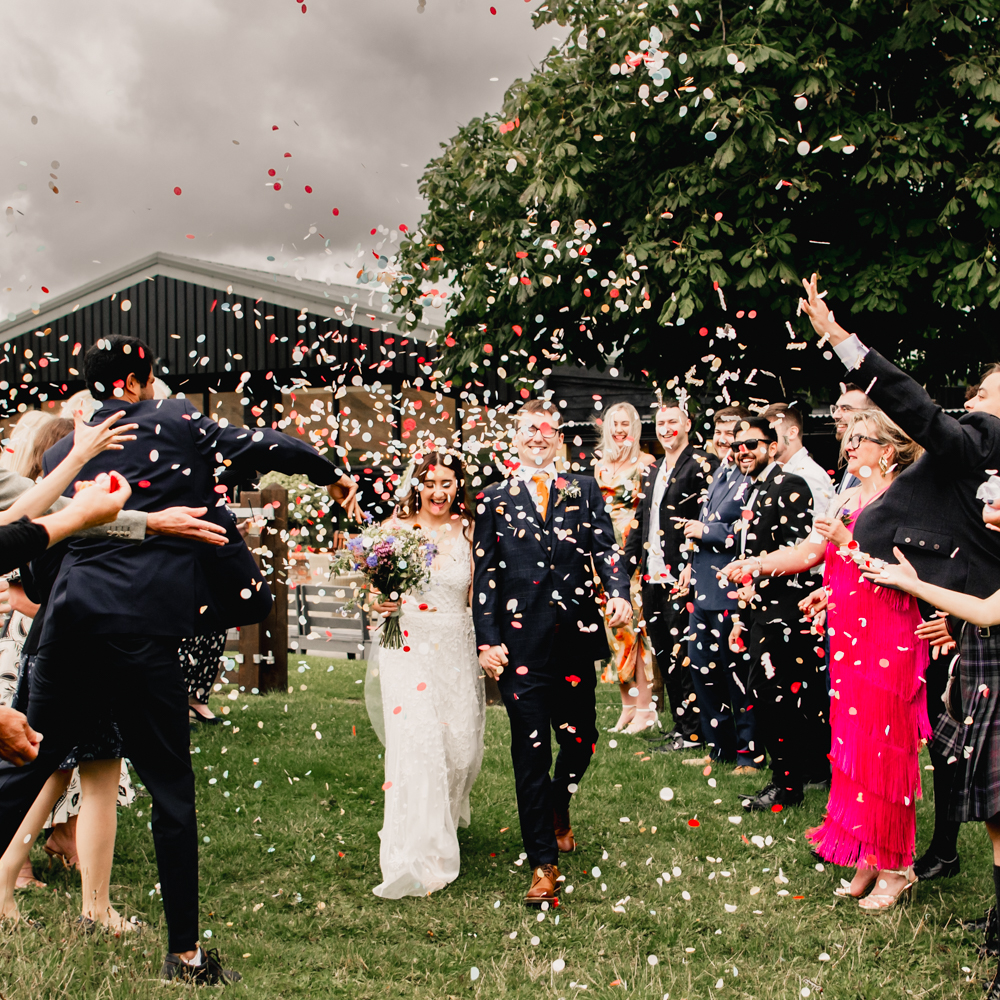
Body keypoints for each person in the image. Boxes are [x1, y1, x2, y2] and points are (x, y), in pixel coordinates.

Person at [0, 334, 356, 985]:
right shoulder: (177, 420)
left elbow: (43, 552)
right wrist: (331, 474)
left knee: (23, 766)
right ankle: (185, 957)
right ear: (138, 380)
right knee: (169, 789)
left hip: (69, 624)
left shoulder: (58, 451)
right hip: (142, 631)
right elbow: (267, 445)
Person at [800, 272, 1000, 888]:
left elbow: (919, 409)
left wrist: (842, 339)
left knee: (946, 751)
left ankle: (918, 858)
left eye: (989, 393)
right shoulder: (970, 451)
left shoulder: (985, 437)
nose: (977, 399)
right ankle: (922, 857)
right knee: (957, 756)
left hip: (960, 613)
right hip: (958, 610)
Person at [744, 409, 927, 905]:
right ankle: (868, 852)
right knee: (855, 750)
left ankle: (897, 864)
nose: (847, 445)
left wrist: (848, 546)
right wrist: (758, 564)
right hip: (849, 638)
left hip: (890, 637)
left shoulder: (906, 500)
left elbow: (906, 573)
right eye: (847, 438)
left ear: (886, 451)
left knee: (887, 750)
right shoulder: (847, 497)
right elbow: (811, 553)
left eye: (857, 438)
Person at [473, 398, 631, 905]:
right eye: (528, 430)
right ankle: (544, 864)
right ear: (515, 439)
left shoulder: (582, 488)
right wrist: (487, 638)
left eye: (546, 429)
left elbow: (606, 549)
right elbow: (486, 577)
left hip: (574, 637)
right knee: (530, 752)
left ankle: (561, 801)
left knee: (582, 738)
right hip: (520, 646)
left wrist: (620, 593)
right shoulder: (493, 498)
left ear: (559, 438)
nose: (537, 437)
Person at [866, 537, 1000, 994]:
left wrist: (915, 585)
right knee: (997, 825)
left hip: (996, 686)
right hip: (983, 683)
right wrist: (958, 624)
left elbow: (990, 611)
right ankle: (999, 927)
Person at [364, 449, 485, 898]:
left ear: (458, 487)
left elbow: (477, 593)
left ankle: (441, 825)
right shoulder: (394, 531)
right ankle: (416, 855)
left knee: (460, 750)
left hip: (456, 647)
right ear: (417, 484)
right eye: (430, 483)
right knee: (419, 745)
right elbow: (373, 594)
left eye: (447, 483)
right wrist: (381, 603)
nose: (438, 492)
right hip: (408, 647)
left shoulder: (470, 530)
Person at [717, 417, 819, 811]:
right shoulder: (754, 490)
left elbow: (799, 553)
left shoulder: (789, 484)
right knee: (768, 697)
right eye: (738, 445)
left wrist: (755, 567)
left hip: (786, 613)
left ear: (772, 447)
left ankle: (788, 785)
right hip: (760, 608)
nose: (743, 451)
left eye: (752, 444)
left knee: (779, 699)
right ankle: (795, 775)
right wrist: (744, 607)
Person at [623, 399, 718, 748]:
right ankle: (682, 725)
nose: (665, 430)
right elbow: (642, 524)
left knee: (685, 655)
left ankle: (695, 730)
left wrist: (693, 563)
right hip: (652, 577)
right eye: (660, 423)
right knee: (664, 653)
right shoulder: (653, 469)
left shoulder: (703, 465)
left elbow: (711, 521)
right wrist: (624, 567)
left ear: (688, 424)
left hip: (681, 577)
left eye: (672, 422)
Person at [678, 405, 757, 772]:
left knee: (736, 674)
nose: (725, 440)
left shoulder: (751, 477)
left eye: (733, 434)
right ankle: (718, 748)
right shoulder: (720, 472)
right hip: (704, 588)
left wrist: (705, 531)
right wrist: (690, 567)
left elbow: (747, 531)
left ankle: (747, 753)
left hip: (730, 590)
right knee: (703, 669)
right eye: (720, 432)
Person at [593, 402, 656, 733]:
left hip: (630, 558)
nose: (620, 430)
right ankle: (627, 707)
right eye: (615, 424)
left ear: (635, 428)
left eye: (626, 424)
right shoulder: (599, 467)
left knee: (634, 632)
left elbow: (650, 515)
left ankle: (647, 708)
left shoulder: (645, 465)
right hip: (601, 558)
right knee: (614, 634)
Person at [763, 402, 835, 518]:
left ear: (792, 433)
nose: (765, 440)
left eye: (771, 432)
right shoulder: (783, 470)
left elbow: (818, 528)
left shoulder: (808, 475)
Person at [831, 384, 871, 493]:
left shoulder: (875, 465)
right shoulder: (852, 459)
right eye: (835, 408)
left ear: (870, 413)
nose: (835, 415)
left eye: (845, 409)